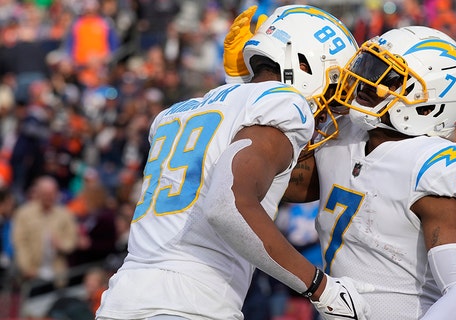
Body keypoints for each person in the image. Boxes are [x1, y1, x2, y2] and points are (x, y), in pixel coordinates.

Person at [96, 5, 370, 320]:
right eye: (334, 85)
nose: (332, 107)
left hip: (121, 301)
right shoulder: (284, 103)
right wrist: (320, 286)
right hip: (189, 305)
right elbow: (228, 204)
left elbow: (263, 179)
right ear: (303, 63)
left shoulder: (182, 109)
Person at [282, 26, 456, 319]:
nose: (364, 83)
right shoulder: (344, 133)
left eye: (387, 77)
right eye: (368, 67)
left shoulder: (436, 166)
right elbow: (280, 184)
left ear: (429, 105)